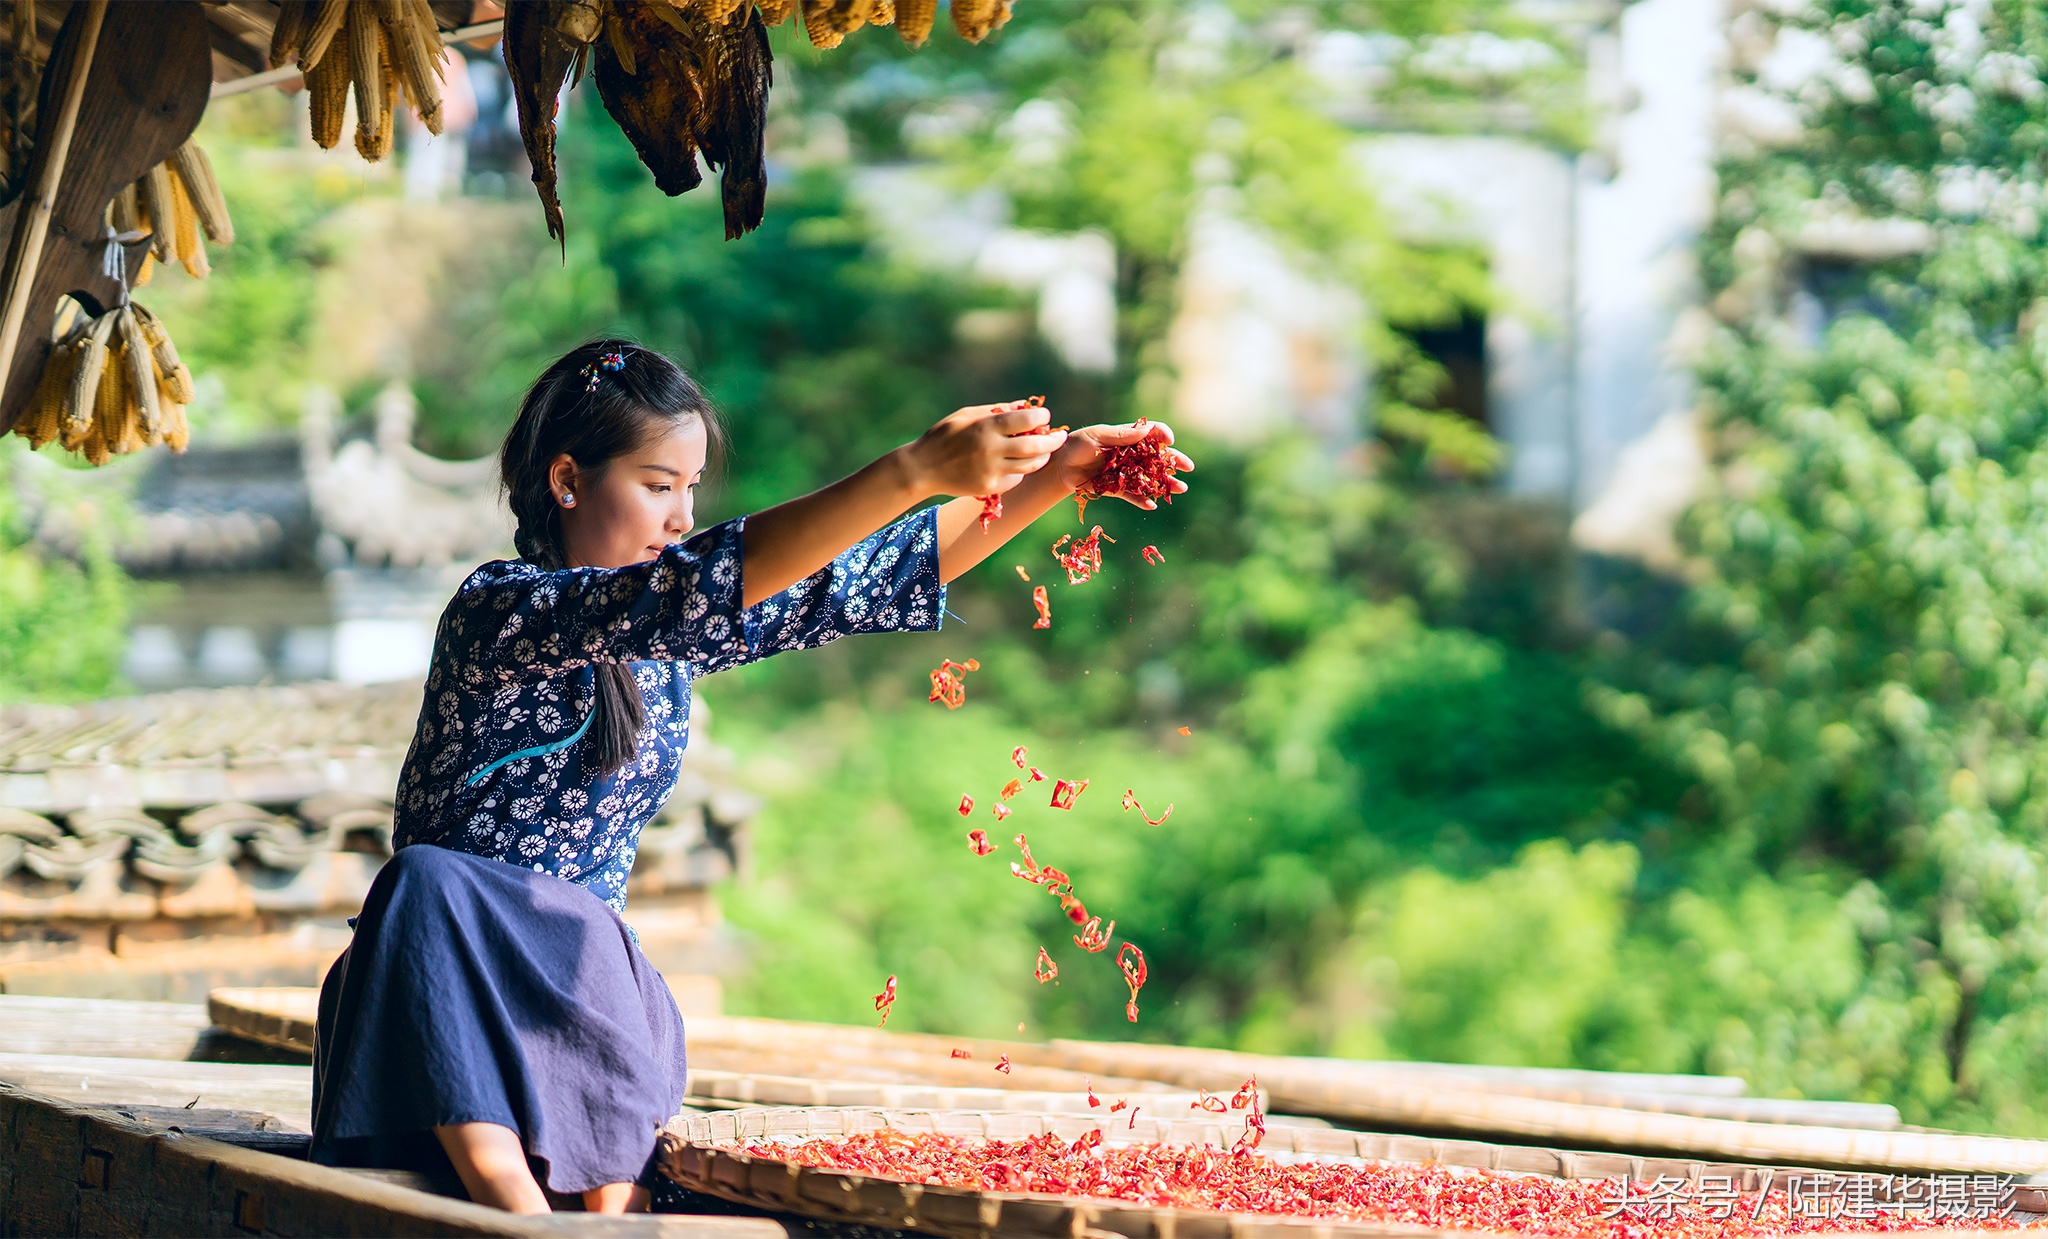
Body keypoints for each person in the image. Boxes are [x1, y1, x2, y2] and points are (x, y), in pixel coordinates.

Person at [306, 339, 1191, 1213]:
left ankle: (604, 1209)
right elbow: (700, 585)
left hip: (582, 994)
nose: (680, 517)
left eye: (690, 490)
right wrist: (914, 468)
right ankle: (520, 1209)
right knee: (426, 883)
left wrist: (1060, 476)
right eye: (659, 486)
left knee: (601, 939)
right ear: (568, 479)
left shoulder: (663, 651)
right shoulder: (496, 610)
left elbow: (853, 581)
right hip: (433, 1006)